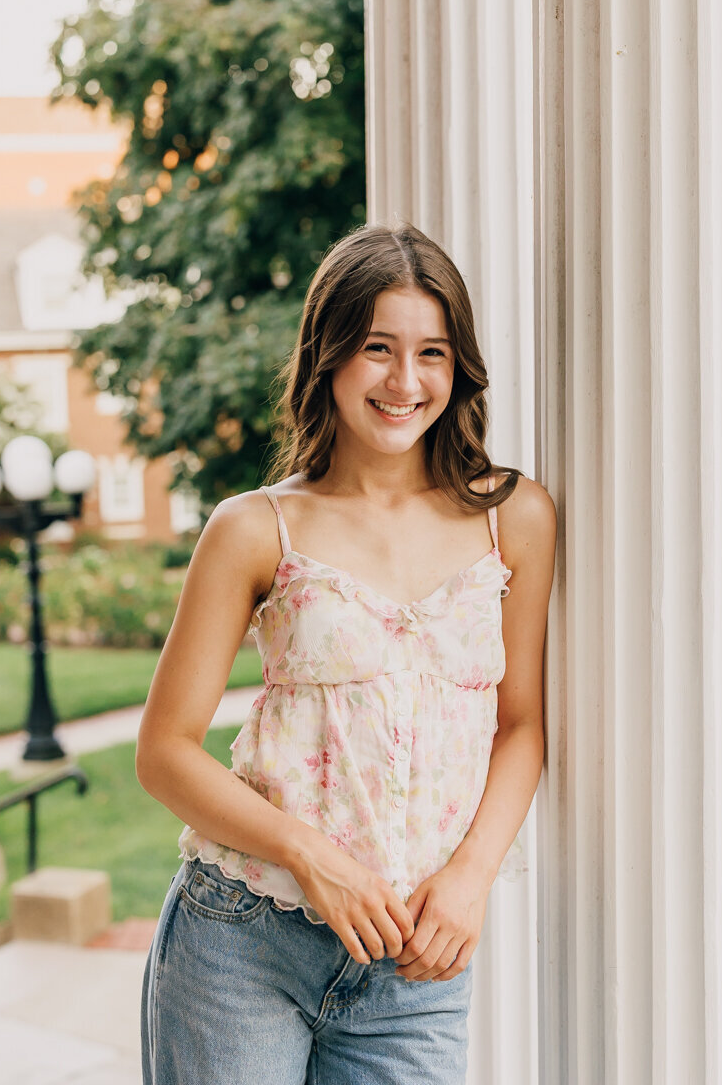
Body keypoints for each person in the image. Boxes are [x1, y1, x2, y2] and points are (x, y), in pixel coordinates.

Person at [136, 219, 557, 1085]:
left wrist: (471, 878)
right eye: (376, 348)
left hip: (415, 964)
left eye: (432, 352)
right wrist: (310, 856)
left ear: (459, 366)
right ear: (327, 357)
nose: (405, 381)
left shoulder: (513, 518)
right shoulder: (255, 528)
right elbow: (164, 752)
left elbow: (521, 726)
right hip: (242, 940)